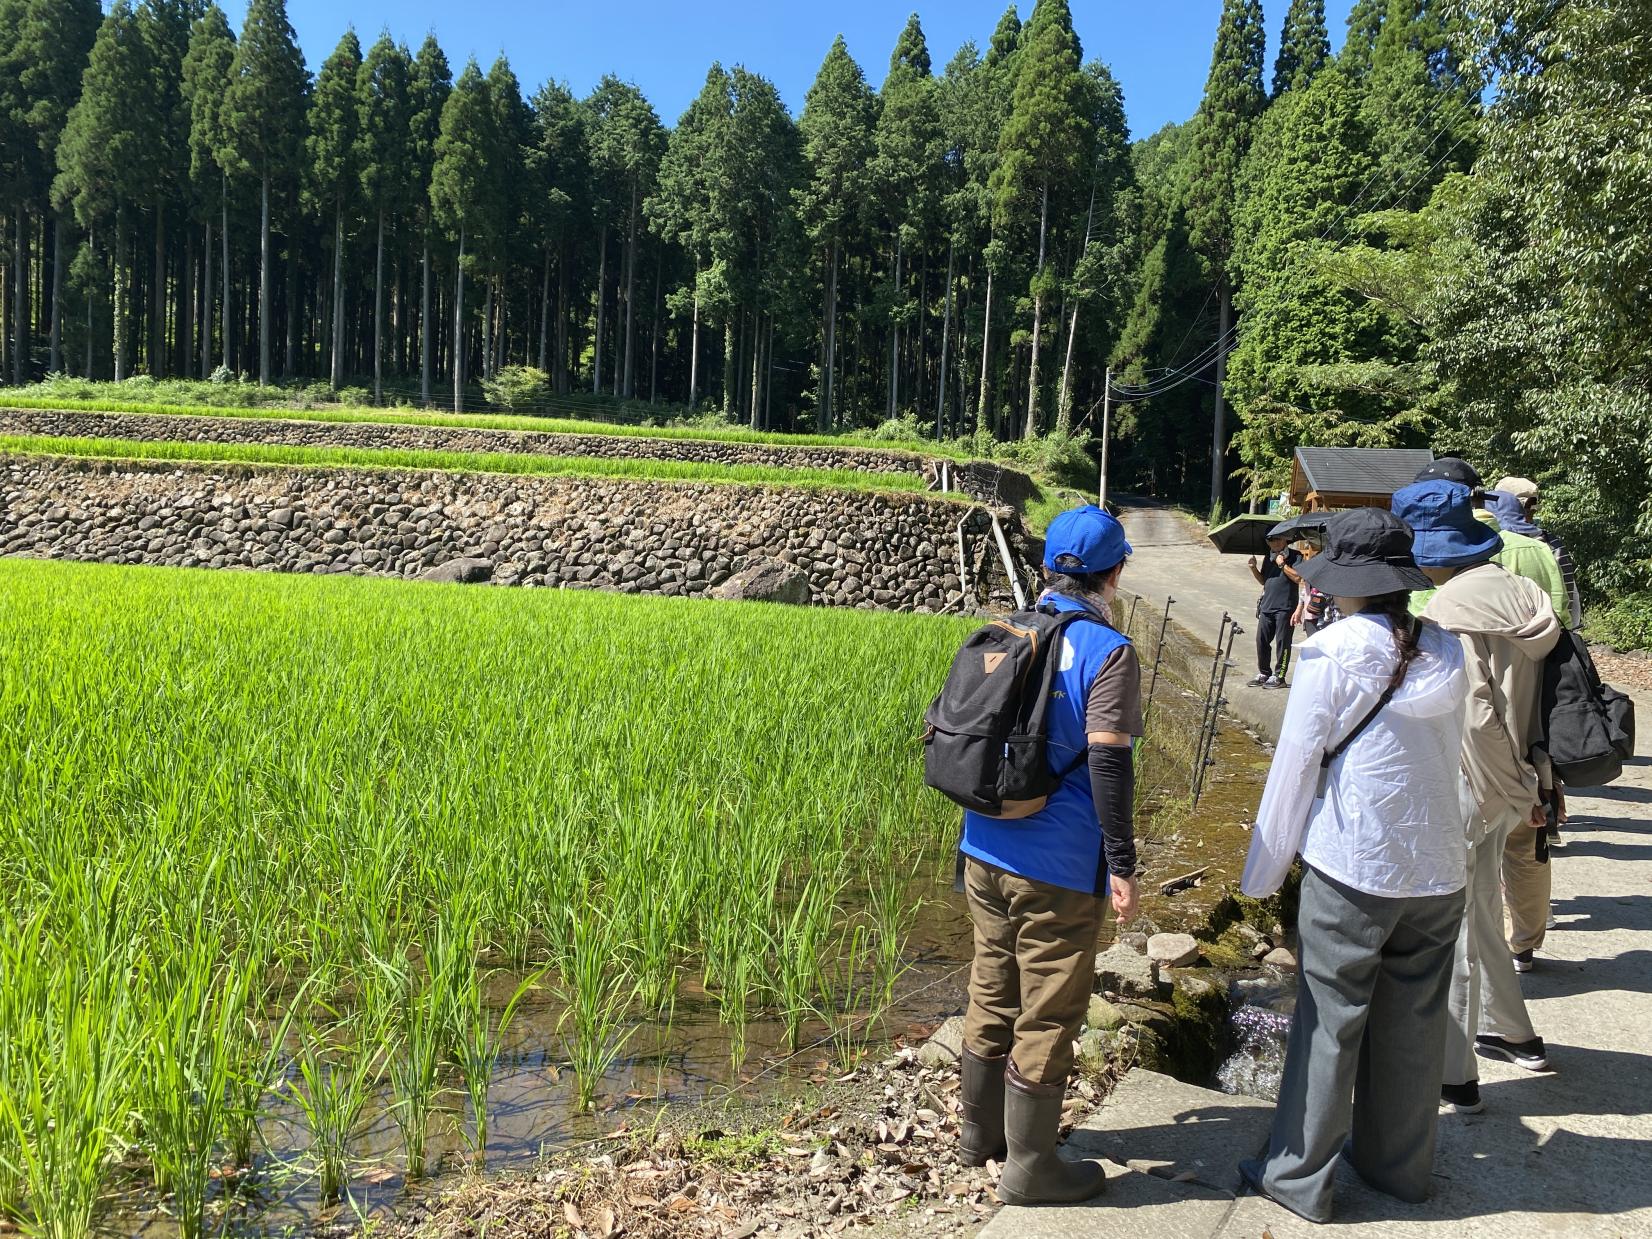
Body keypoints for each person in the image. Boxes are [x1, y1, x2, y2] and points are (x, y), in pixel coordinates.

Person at [1238, 508, 1468, 1225]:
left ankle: (1299, 1175)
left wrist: (1261, 876)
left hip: (1355, 861)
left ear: (1349, 579)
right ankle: (1399, 1171)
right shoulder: (1450, 649)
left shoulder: (1333, 651)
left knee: (1328, 1018)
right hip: (1438, 866)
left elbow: (1296, 767)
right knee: (1415, 1022)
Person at [957, 504, 1141, 1206]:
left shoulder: (1009, 631)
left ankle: (979, 1137)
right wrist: (1121, 863)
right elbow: (1109, 767)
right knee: (1050, 1011)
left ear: (1047, 567)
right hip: (1059, 866)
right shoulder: (1107, 649)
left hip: (982, 844)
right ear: (1113, 572)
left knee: (991, 984)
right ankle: (1032, 1167)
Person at [1392, 480, 1561, 1114]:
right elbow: (1533, 703)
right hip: (1516, 775)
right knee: (1483, 907)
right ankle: (1515, 1033)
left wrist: (1497, 785)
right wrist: (1532, 782)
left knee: (1451, 926)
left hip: (1473, 782)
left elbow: (1475, 714)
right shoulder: (1523, 593)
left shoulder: (1449, 610)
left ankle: (1454, 1075)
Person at [1490, 476, 1581, 630]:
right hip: (1553, 631)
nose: (1529, 516)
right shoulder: (1549, 542)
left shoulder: (1488, 544)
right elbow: (1568, 598)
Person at [1248, 534, 1303, 687]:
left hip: (1286, 607)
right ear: (1267, 542)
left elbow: (1298, 578)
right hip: (1267, 605)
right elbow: (1264, 581)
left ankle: (1280, 676)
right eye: (1272, 540)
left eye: (1279, 539)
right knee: (1261, 641)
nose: (1276, 543)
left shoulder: (1295, 555)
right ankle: (1264, 673)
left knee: (1282, 642)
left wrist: (1282, 565)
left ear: (1285, 539)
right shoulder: (1268, 557)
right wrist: (1253, 569)